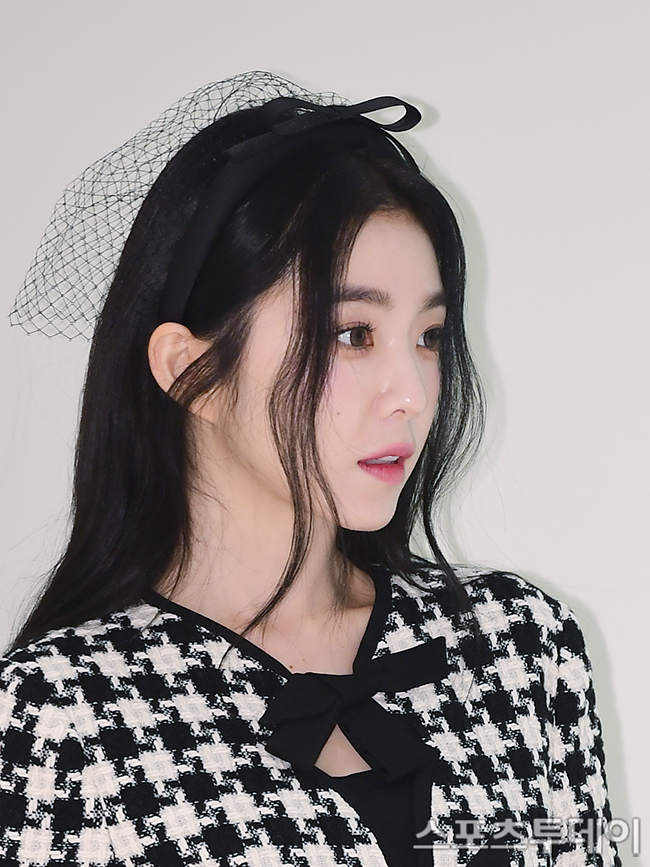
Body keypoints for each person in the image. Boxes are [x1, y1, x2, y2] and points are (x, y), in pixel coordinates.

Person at [2, 72, 618, 867]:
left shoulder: (520, 645)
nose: (412, 393)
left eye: (429, 336)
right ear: (191, 371)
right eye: (353, 335)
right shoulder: (59, 715)